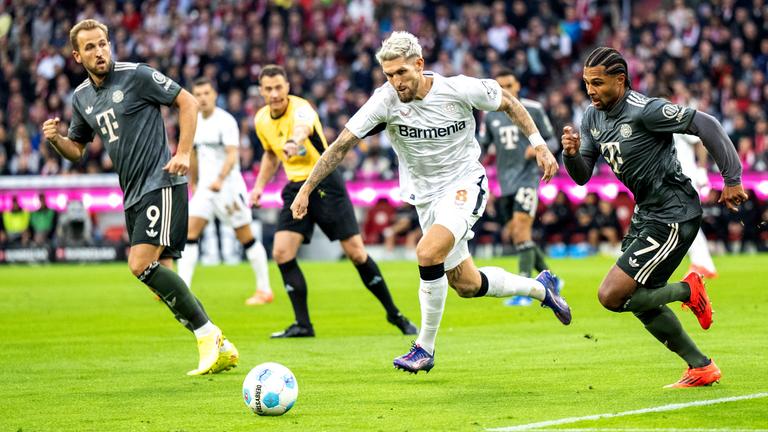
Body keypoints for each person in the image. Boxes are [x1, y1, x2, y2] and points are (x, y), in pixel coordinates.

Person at [290, 32, 570, 374]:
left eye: (402, 73)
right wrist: (306, 189)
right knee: (466, 284)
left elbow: (509, 101)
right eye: (389, 75)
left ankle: (424, 347)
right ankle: (541, 288)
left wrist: (540, 145)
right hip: (425, 197)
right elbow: (341, 145)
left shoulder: (458, 89)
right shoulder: (384, 100)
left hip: (465, 184)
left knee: (426, 252)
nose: (395, 82)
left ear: (419, 65)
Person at [41, 19, 238, 376]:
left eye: (103, 43)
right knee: (159, 275)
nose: (99, 52)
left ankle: (210, 336)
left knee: (138, 264)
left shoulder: (137, 75)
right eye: (90, 47)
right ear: (76, 55)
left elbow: (188, 102)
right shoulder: (81, 98)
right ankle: (216, 346)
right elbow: (77, 150)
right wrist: (56, 139)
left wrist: (183, 153)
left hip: (160, 182)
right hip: (132, 193)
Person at [562, 47, 747, 388]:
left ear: (620, 80)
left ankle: (687, 289)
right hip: (648, 215)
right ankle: (701, 366)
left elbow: (707, 123)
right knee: (635, 300)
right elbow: (582, 175)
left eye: (598, 83)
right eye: (587, 83)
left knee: (611, 295)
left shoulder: (645, 110)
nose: (590, 90)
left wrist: (732, 179)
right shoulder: (592, 117)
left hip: (674, 214)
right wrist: (571, 154)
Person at [249, 64, 417, 338]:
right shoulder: (261, 120)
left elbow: (302, 128)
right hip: (295, 187)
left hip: (325, 181)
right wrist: (258, 187)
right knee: (281, 253)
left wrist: (292, 143)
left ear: (287, 87)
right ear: (261, 91)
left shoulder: (302, 108)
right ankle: (303, 325)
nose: (275, 93)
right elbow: (270, 155)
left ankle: (394, 314)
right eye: (268, 89)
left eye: (279, 87)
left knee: (356, 253)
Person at [176, 77, 273, 306]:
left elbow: (232, 155)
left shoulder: (226, 121)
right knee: (190, 235)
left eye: (206, 93)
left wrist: (219, 179)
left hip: (228, 187)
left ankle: (264, 289)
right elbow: (194, 154)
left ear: (214, 95)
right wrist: (194, 181)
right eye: (197, 94)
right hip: (205, 189)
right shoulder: (194, 121)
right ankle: (182, 290)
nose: (202, 98)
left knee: (246, 238)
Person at [479, 69, 561, 307]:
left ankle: (525, 290)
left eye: (509, 85)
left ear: (518, 86)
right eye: (501, 86)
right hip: (505, 183)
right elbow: (483, 145)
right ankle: (551, 280)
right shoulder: (491, 115)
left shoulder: (532, 109)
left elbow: (552, 139)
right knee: (517, 235)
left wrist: (538, 148)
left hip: (527, 179)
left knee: (522, 231)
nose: (506, 90)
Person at [673, 133, 718, 278]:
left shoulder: (673, 115)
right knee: (682, 221)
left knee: (685, 220)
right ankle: (703, 262)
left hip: (685, 177)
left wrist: (702, 169)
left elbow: (699, 142)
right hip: (674, 178)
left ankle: (701, 263)